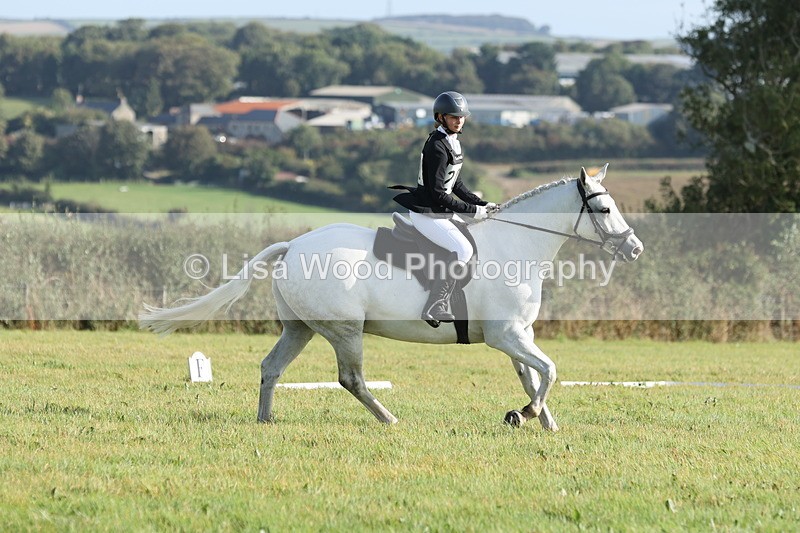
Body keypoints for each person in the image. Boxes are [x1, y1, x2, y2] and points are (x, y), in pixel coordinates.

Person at [392, 91, 497, 327]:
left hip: (439, 211)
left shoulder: (452, 142)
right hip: (427, 213)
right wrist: (472, 211)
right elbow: (439, 193)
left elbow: (456, 184)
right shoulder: (437, 147)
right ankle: (434, 305)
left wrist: (482, 204)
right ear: (440, 117)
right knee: (463, 250)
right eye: (453, 117)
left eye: (462, 117)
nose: (459, 121)